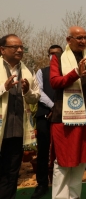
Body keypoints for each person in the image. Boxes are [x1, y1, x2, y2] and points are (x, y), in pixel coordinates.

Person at [49, 26, 86, 199]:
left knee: (79, 161)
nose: (83, 41)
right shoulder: (58, 58)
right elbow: (55, 82)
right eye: (78, 38)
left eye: (85, 37)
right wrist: (76, 73)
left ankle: (74, 196)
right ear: (68, 40)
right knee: (63, 162)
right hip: (62, 119)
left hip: (84, 117)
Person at [0, 34, 40, 199]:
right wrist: (4, 87)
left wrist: (27, 91)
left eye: (22, 47)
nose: (19, 50)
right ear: (2, 50)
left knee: (12, 171)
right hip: (2, 129)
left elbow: (35, 97)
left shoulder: (28, 70)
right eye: (14, 47)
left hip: (17, 130)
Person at [31, 45, 63, 199]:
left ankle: (60, 184)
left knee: (61, 151)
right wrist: (53, 106)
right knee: (43, 151)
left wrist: (58, 108)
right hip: (44, 114)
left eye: (57, 53)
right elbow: (39, 92)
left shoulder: (67, 72)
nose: (54, 56)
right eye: (51, 54)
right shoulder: (41, 72)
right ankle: (42, 184)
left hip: (62, 115)